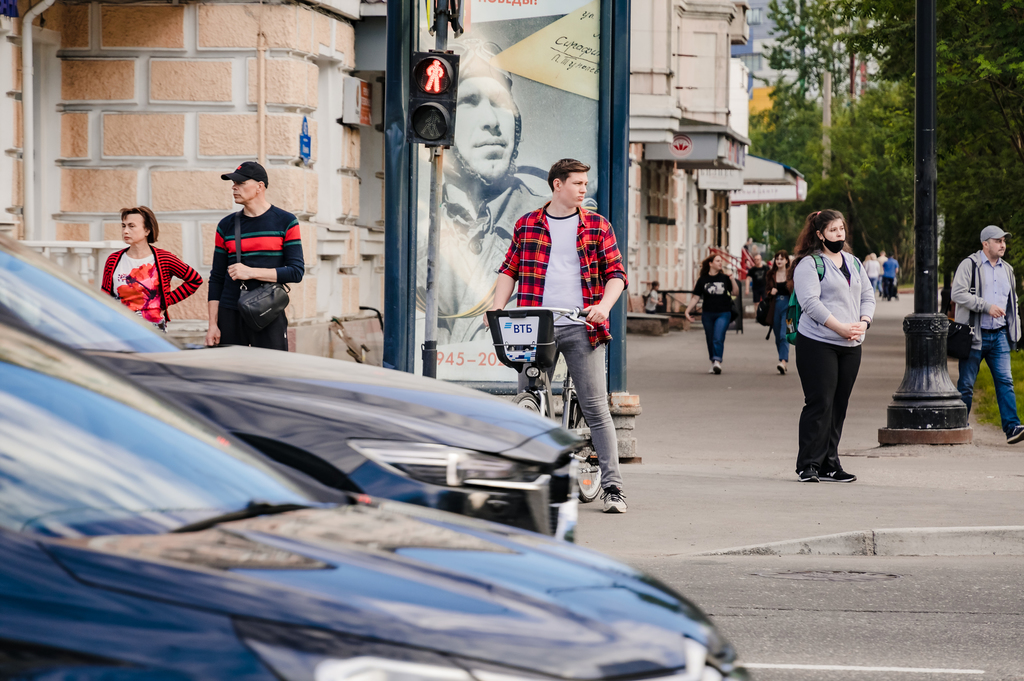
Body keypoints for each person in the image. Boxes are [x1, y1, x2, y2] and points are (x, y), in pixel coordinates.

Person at [490, 158, 629, 513]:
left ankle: (613, 487)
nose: (584, 189)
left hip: (582, 323)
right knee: (528, 403)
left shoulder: (597, 226)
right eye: (578, 183)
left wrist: (604, 306)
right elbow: (510, 269)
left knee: (596, 408)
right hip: (534, 325)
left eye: (585, 183)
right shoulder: (527, 225)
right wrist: (497, 306)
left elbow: (616, 274)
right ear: (557, 185)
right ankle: (528, 483)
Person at [422, 40, 546, 345]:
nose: (492, 121)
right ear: (441, 121)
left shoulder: (548, 222)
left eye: (500, 103)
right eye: (470, 101)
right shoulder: (416, 221)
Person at [790, 209, 874, 483]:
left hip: (851, 343)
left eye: (841, 229)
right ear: (819, 235)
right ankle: (808, 464)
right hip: (818, 342)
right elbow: (811, 303)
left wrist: (864, 322)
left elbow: (868, 295)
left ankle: (830, 463)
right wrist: (839, 327)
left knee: (839, 404)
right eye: (833, 230)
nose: (839, 234)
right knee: (820, 402)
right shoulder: (810, 264)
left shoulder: (853, 262)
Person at [205, 161, 304, 351]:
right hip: (230, 312)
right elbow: (216, 278)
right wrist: (212, 325)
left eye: (241, 183)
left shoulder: (286, 222)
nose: (234, 187)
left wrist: (251, 272)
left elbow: (296, 272)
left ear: (260, 187)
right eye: (233, 183)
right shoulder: (225, 226)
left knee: (270, 372)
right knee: (231, 375)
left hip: (269, 310)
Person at [951, 225, 1024, 444]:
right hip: (974, 334)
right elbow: (957, 293)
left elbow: (1013, 303)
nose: (1003, 245)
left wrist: (1016, 330)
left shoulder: (1007, 270)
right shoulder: (969, 265)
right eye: (998, 241)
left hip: (999, 335)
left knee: (1005, 381)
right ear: (985, 244)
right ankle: (958, 427)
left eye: (1004, 241)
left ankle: (1012, 428)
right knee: (966, 384)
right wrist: (985, 306)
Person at [102, 206, 202, 331]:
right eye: (123, 226)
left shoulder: (164, 258)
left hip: (152, 328)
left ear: (147, 230)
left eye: (131, 226)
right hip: (120, 326)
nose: (125, 231)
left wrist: (166, 301)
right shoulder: (114, 259)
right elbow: (105, 294)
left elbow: (195, 280)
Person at [684, 253, 739, 375]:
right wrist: (687, 311)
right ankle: (713, 361)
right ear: (710, 263)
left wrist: (732, 279)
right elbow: (695, 298)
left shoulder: (725, 278)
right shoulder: (703, 280)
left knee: (717, 337)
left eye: (721, 261)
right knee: (710, 338)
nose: (720, 263)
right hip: (708, 314)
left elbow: (735, 293)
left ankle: (717, 361)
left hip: (723, 313)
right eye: (717, 261)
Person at [766, 249, 791, 374]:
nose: (779, 261)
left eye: (782, 258)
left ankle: (783, 361)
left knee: (783, 335)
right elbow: (765, 290)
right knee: (777, 336)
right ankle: (782, 359)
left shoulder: (791, 274)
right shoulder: (771, 274)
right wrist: (770, 292)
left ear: (787, 260)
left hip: (788, 305)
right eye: (777, 259)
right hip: (775, 306)